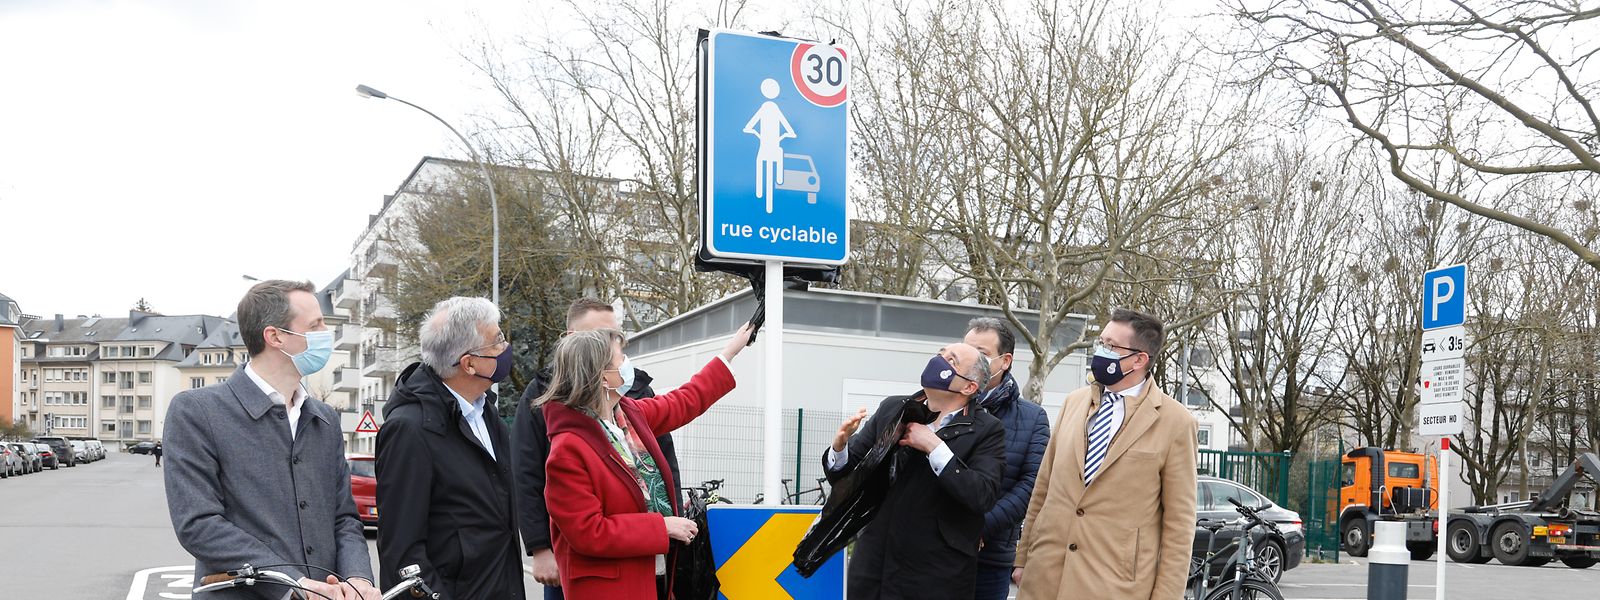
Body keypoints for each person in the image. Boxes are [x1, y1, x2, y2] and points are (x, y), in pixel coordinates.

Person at [165, 280, 378, 600]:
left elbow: (343, 518)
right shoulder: (197, 411)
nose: (326, 332)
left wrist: (358, 576)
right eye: (315, 325)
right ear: (275, 336)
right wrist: (292, 582)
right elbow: (199, 524)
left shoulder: (324, 418)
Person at [540, 323, 755, 599]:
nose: (628, 364)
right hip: (607, 590)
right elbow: (589, 532)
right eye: (621, 359)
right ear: (603, 378)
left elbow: (685, 400)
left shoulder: (628, 414)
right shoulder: (567, 450)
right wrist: (662, 526)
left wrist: (730, 352)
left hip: (652, 578)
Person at [1013, 308, 1198, 600]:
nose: (1101, 351)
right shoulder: (1074, 403)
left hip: (1114, 586)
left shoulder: (1176, 422)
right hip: (1045, 577)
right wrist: (1023, 557)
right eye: (1101, 342)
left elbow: (1179, 524)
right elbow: (1044, 486)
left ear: (1139, 359)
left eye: (1111, 346)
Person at [512, 298, 682, 598]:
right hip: (576, 558)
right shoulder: (542, 396)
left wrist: (670, 525)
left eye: (614, 335)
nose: (609, 344)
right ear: (570, 339)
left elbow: (664, 462)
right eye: (599, 336)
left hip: (643, 556)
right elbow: (527, 473)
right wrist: (540, 547)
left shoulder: (637, 390)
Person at [825, 343, 1006, 600]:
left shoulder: (987, 430)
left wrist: (934, 446)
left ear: (969, 387)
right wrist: (840, 446)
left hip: (935, 577)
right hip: (872, 567)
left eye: (952, 360)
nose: (940, 360)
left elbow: (982, 495)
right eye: (940, 353)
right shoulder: (893, 409)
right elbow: (844, 477)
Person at [376, 297, 523, 599]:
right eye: (497, 341)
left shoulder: (485, 412)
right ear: (469, 364)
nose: (505, 348)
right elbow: (402, 554)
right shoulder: (410, 429)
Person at [963, 318, 1050, 600]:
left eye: (982, 353)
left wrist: (980, 526)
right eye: (966, 351)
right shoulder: (940, 405)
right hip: (935, 551)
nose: (971, 360)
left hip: (991, 555)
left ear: (1005, 360)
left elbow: (1032, 485)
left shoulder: (1032, 418)